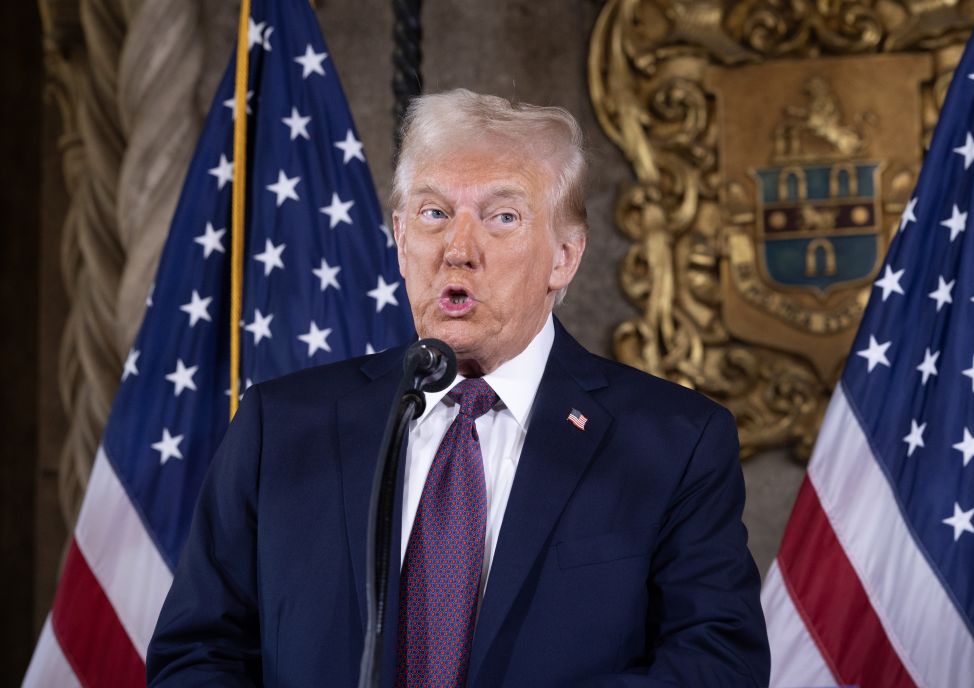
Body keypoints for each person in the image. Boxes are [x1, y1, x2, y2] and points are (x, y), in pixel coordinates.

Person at [147, 89, 769, 686]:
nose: (457, 249)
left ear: (564, 257)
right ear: (399, 237)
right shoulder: (281, 426)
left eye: (501, 217)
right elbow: (198, 652)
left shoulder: (674, 443)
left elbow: (717, 663)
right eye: (434, 213)